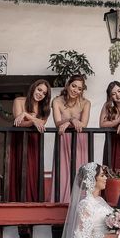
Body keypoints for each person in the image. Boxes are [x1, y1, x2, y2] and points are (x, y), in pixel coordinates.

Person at [49, 75, 90, 203]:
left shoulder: (86, 103)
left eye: (79, 88)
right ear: (68, 85)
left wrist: (68, 123)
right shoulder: (56, 101)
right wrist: (71, 119)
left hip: (79, 140)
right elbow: (57, 123)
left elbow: (83, 124)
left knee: (79, 170)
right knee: (62, 171)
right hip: (63, 138)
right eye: (73, 86)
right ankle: (61, 201)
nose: (75, 90)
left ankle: (80, 202)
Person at [7, 79, 51, 202]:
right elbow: (18, 123)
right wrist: (32, 120)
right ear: (33, 88)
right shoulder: (19, 101)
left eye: (44, 93)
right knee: (19, 168)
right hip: (20, 139)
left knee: (33, 170)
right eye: (39, 89)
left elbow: (41, 124)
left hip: (34, 140)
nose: (40, 94)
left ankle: (33, 200)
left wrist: (26, 115)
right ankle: (16, 201)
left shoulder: (45, 108)